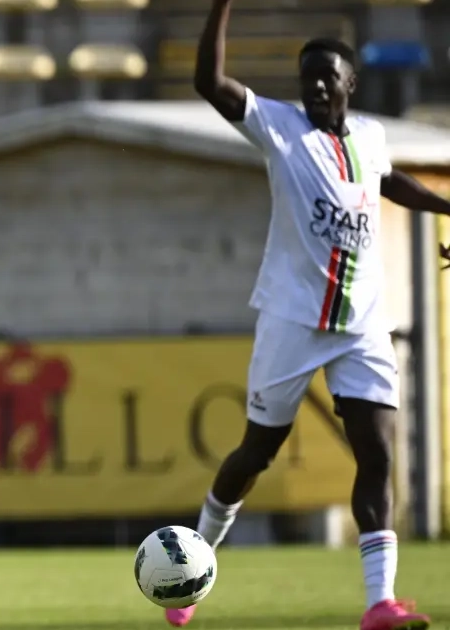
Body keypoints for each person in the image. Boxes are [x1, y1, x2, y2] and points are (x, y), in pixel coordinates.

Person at [180, 1, 450, 628]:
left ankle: (379, 602)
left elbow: (388, 181)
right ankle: (191, 571)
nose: (317, 87)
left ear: (351, 83)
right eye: (308, 78)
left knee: (377, 455)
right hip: (292, 320)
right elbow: (208, 84)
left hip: (362, 324)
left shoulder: (371, 137)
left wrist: (445, 207)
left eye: (328, 77)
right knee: (256, 454)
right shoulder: (277, 125)